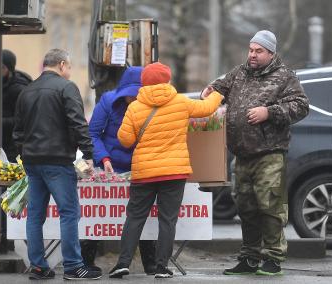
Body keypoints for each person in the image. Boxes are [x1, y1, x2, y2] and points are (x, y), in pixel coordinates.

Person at [202, 30, 309, 276]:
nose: (252, 54)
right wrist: (210, 91)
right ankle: (249, 258)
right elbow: (220, 87)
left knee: (270, 206)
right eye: (251, 49)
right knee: (245, 207)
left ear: (271, 53)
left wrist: (269, 112)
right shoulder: (239, 73)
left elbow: (301, 106)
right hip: (241, 154)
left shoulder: (285, 77)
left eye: (258, 51)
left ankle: (273, 258)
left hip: (269, 153)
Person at [109, 62, 223, 279]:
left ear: (144, 82)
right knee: (167, 219)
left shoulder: (134, 107)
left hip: (144, 172)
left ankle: (123, 263)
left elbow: (125, 140)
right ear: (167, 80)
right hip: (174, 171)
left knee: (134, 218)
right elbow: (208, 109)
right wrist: (216, 93)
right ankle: (161, 267)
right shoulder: (181, 102)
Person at [13, 49, 102, 281]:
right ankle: (73, 266)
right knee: (69, 212)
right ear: (62, 65)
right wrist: (89, 153)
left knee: (34, 215)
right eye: (69, 68)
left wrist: (23, 154)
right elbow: (77, 123)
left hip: (32, 162)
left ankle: (39, 266)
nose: (69, 72)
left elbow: (18, 130)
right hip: (58, 160)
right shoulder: (66, 87)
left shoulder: (27, 90)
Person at [84, 66, 156, 275]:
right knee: (97, 212)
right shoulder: (107, 101)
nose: (132, 99)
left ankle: (150, 262)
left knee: (144, 213)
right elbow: (93, 134)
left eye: (137, 94)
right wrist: (103, 158)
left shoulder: (151, 105)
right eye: (129, 95)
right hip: (108, 166)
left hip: (140, 167)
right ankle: (87, 259)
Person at [2, 49, 32, 162]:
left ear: (7, 69)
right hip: (4, 141)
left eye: (1, 67)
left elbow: (23, 119)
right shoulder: (0, 82)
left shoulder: (18, 89)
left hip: (13, 144)